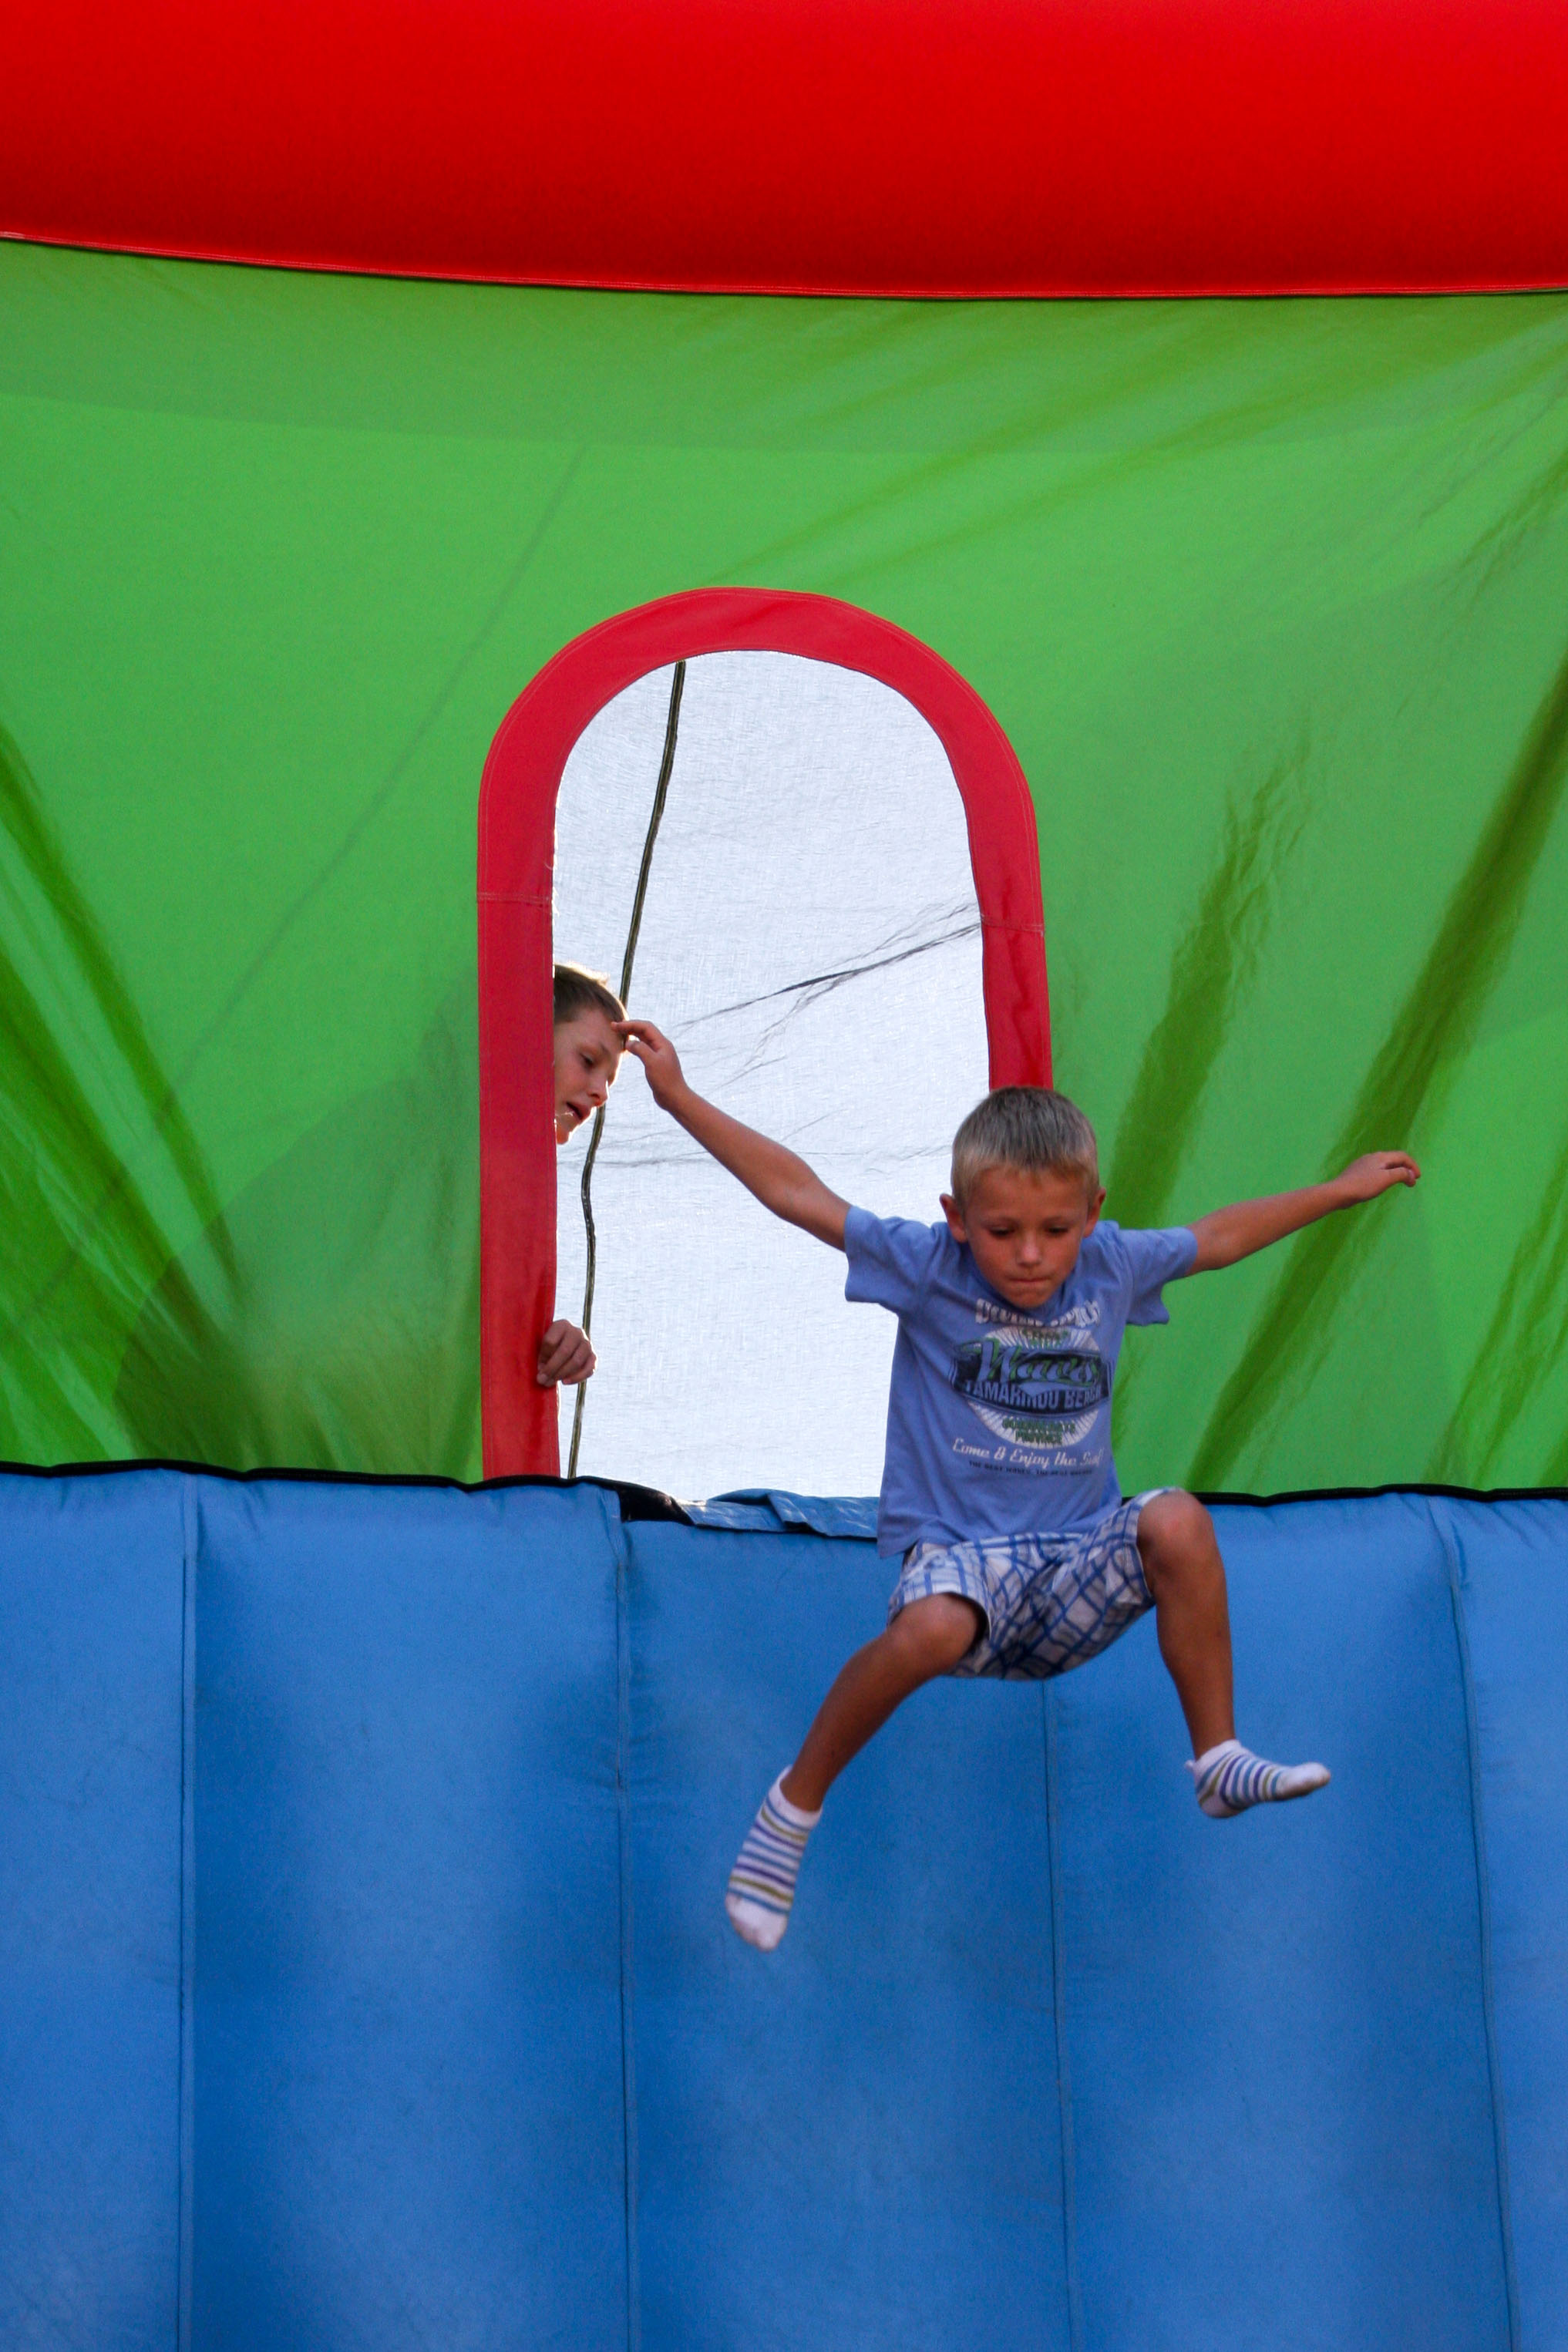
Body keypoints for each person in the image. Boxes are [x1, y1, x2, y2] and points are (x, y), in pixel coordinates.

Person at [617, 1019, 1420, 1951]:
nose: (1031, 1255)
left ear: (1093, 1214)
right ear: (959, 1218)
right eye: (1002, 1232)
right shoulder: (928, 1266)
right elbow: (798, 1194)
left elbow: (1220, 1238)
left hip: (1072, 1565)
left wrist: (1339, 1190)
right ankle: (792, 1807)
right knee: (932, 1627)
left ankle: (1216, 1757)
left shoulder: (1112, 1267)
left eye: (1055, 1231)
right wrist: (679, 1099)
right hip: (962, 1566)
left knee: (1177, 1520)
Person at [538, 962, 628, 1391]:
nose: (601, 1093)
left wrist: (552, 1343)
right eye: (589, 1061)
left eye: (609, 1081)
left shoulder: (530, 1191)